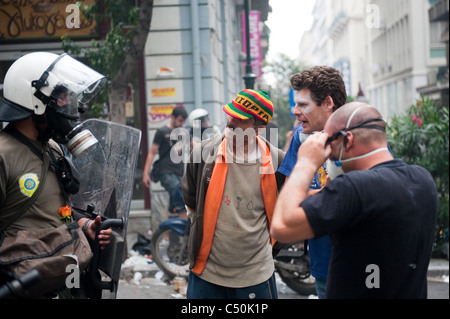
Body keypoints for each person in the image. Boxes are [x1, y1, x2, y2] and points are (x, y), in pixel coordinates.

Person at [271, 102, 438, 298]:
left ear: (347, 140)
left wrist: (306, 162)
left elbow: (282, 225)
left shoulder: (354, 188)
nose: (329, 156)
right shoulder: (423, 180)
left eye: (330, 146)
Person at [0, 52, 112, 296]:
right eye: (62, 98)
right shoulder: (3, 153)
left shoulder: (51, 148)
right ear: (34, 101)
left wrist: (82, 225)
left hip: (61, 280)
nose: (72, 107)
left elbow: (58, 210)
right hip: (22, 286)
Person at [181, 89, 285, 299]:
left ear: (259, 128)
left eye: (241, 118)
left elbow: (283, 213)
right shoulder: (203, 154)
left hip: (255, 276)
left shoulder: (278, 162)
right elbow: (191, 200)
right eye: (231, 113)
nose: (231, 120)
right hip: (207, 273)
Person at [277, 66, 347, 298]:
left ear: (327, 103)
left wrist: (311, 197)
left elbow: (372, 199)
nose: (295, 112)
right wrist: (330, 196)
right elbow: (289, 199)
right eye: (295, 104)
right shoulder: (300, 136)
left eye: (303, 105)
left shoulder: (361, 135)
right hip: (322, 264)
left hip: (363, 263)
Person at [143, 106, 188, 216]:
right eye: (180, 120)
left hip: (179, 173)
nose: (182, 124)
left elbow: (193, 145)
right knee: (180, 194)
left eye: (183, 121)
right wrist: (145, 173)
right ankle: (185, 230)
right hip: (165, 172)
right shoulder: (162, 132)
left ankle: (165, 232)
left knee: (174, 203)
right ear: (173, 117)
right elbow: (152, 152)